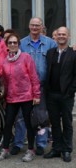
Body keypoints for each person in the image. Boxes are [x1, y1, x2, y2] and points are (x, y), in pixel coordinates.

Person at [12, 17, 57, 156]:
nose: (35, 27)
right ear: (29, 26)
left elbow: (58, 58)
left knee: (41, 116)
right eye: (32, 25)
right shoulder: (22, 43)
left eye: (37, 25)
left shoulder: (51, 43)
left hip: (42, 86)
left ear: (41, 27)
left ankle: (41, 144)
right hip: (23, 88)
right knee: (20, 117)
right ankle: (19, 143)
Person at [0, 33, 40, 162]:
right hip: (11, 97)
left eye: (15, 42)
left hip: (26, 96)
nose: (13, 45)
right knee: (8, 124)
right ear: (7, 45)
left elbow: (34, 77)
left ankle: (31, 149)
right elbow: (2, 77)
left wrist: (36, 95)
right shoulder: (4, 61)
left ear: (19, 44)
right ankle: (5, 149)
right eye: (10, 43)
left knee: (28, 124)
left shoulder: (26, 58)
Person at [44, 26, 76, 162]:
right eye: (59, 34)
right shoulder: (50, 52)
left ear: (68, 37)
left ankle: (67, 149)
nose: (61, 36)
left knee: (67, 123)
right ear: (55, 37)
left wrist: (71, 91)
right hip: (52, 94)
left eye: (64, 34)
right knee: (55, 123)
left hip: (66, 95)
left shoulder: (74, 53)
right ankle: (56, 148)